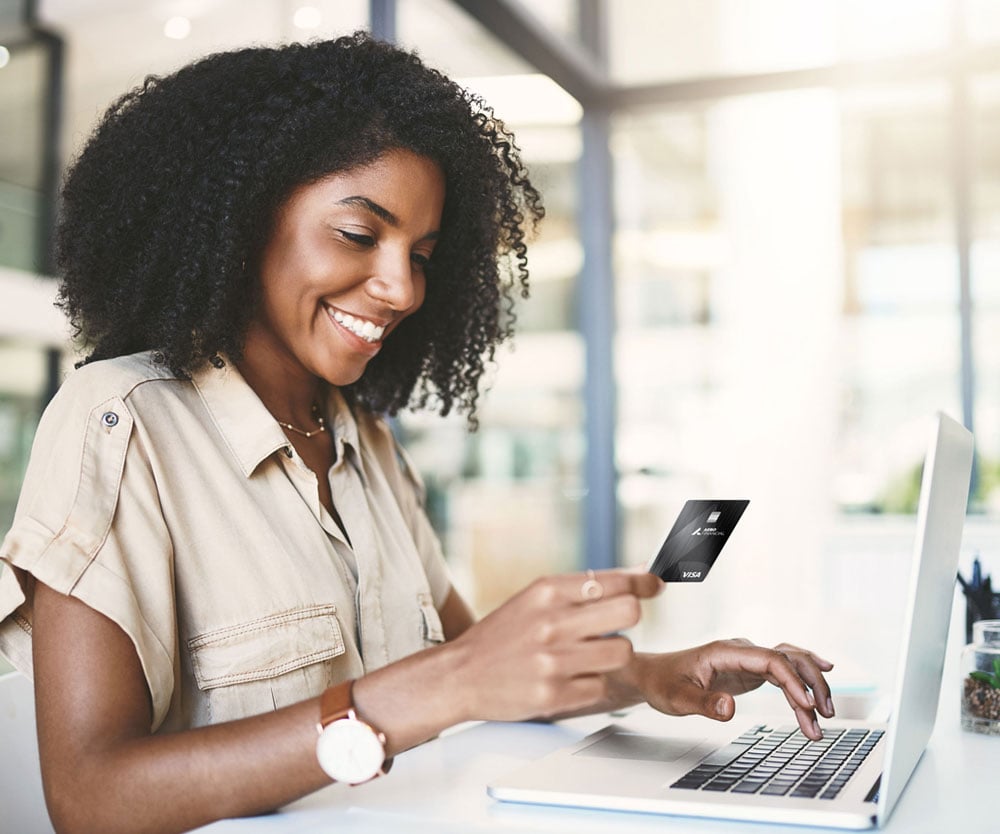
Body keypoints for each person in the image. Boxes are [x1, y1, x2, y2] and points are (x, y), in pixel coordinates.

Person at [0, 32, 835, 834]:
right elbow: (90, 797)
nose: (401, 288)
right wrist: (442, 688)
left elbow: (489, 669)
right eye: (361, 235)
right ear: (243, 219)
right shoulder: (120, 422)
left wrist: (654, 676)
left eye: (424, 254)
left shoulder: (367, 445)